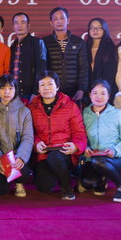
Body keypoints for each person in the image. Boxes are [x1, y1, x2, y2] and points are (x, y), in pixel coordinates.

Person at [28, 71, 86, 200]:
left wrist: (76, 147)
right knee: (44, 186)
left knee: (55, 157)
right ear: (38, 89)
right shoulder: (32, 108)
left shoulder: (70, 106)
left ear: (57, 86)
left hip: (65, 152)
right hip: (43, 154)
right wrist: (36, 144)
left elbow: (79, 132)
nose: (46, 88)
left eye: (50, 84)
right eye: (42, 85)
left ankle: (67, 187)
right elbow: (29, 133)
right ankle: (59, 175)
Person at [79, 79, 121, 203]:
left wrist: (115, 151)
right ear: (90, 95)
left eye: (103, 93)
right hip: (92, 158)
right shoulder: (84, 114)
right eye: (95, 93)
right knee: (88, 183)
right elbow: (79, 136)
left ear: (109, 96)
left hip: (116, 158)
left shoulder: (117, 113)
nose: (99, 96)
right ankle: (102, 179)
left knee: (99, 162)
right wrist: (84, 148)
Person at [0, 74, 33, 197]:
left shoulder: (24, 111)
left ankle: (19, 183)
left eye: (11, 88)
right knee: (1, 190)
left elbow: (27, 138)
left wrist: (21, 157)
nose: (6, 92)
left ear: (16, 90)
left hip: (16, 155)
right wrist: (0, 160)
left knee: (24, 172)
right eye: (3, 88)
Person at [42, 7, 89, 102]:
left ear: (68, 20)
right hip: (52, 91)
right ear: (51, 22)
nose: (59, 21)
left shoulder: (78, 42)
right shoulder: (44, 42)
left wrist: (81, 89)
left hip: (74, 92)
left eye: (62, 18)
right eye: (55, 19)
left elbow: (84, 68)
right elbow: (42, 68)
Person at [9, 12, 47, 100]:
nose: (19, 26)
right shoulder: (13, 46)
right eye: (16, 23)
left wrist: (35, 92)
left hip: (30, 93)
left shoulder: (37, 42)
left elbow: (41, 69)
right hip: (14, 93)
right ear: (13, 27)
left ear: (28, 25)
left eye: (23, 22)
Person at [85, 18, 118, 102]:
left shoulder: (111, 48)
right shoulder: (84, 47)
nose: (95, 30)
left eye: (99, 27)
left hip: (105, 92)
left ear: (105, 29)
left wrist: (101, 90)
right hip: (87, 92)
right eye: (92, 27)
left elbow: (110, 73)